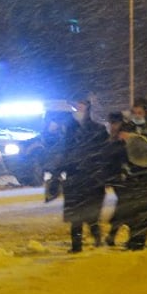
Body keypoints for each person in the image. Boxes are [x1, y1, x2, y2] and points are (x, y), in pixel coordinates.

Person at [46, 95, 113, 252]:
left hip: (92, 178)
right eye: (76, 105)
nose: (79, 108)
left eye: (81, 105)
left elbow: (105, 153)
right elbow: (64, 152)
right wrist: (57, 171)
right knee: (75, 215)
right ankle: (76, 246)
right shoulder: (69, 130)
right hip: (75, 177)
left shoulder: (98, 129)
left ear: (88, 107)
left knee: (92, 214)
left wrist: (105, 173)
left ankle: (97, 240)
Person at [107, 98, 147, 248]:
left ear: (146, 112)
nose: (138, 115)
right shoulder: (124, 129)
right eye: (135, 112)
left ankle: (139, 241)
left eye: (140, 112)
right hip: (130, 176)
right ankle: (133, 239)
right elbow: (116, 153)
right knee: (132, 210)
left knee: (146, 209)